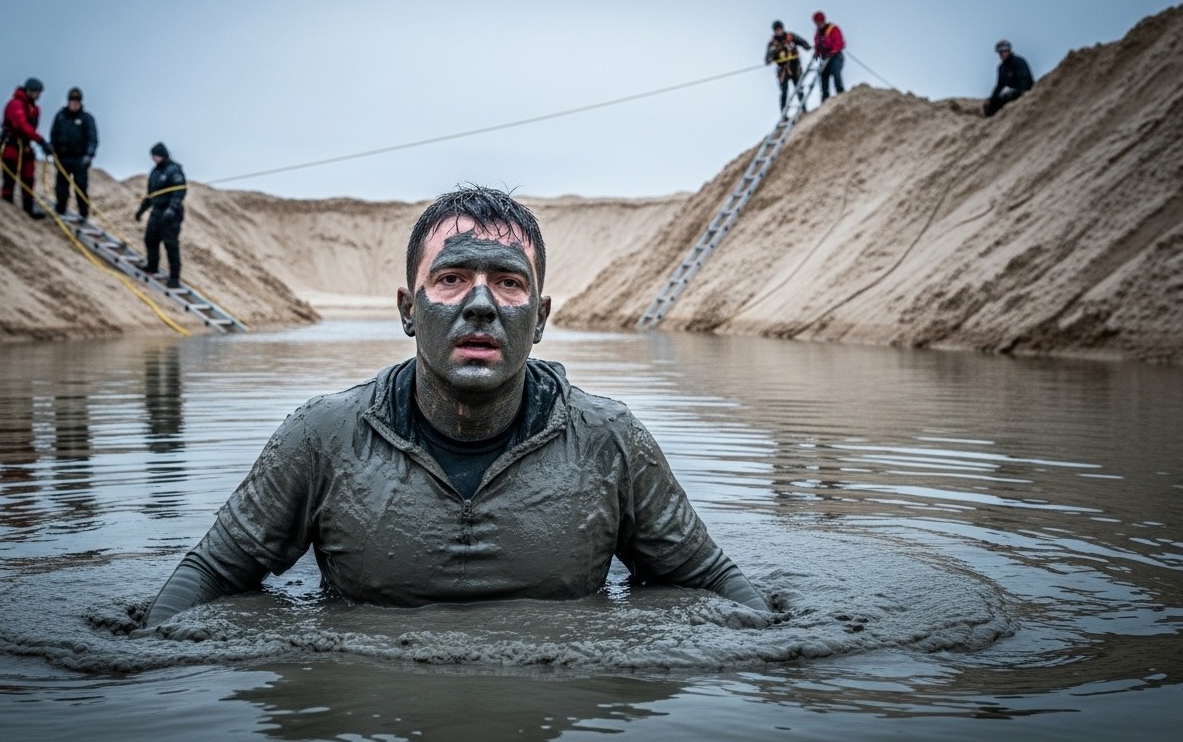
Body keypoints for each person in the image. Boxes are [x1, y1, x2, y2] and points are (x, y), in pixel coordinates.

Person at [141, 185, 769, 627]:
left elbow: (715, 585)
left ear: (541, 318)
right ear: (408, 311)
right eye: (450, 278)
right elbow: (207, 577)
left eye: (509, 282)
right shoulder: (322, 437)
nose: (480, 304)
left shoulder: (610, 441)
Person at [0, 77, 53, 219]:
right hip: (12, 144)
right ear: (29, 91)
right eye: (37, 92)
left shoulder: (34, 109)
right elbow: (21, 126)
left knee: (28, 177)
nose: (38, 96)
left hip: (26, 146)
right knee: (10, 174)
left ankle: (28, 209)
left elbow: (30, 128)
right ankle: (6, 206)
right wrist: (41, 141)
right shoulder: (15, 104)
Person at [134, 142, 187, 289]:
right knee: (150, 239)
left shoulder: (174, 170)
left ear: (162, 155)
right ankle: (152, 266)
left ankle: (174, 278)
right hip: (156, 212)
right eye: (153, 157)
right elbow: (151, 194)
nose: (154, 159)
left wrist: (172, 209)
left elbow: (180, 191)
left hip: (171, 215)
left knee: (171, 245)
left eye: (156, 156)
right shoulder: (155, 172)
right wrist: (141, 210)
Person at [50, 87, 99, 221]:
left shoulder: (87, 119)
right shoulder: (60, 117)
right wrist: (52, 150)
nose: (74, 104)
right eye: (72, 101)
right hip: (63, 158)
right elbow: (53, 135)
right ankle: (60, 209)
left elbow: (92, 139)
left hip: (80, 160)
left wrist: (89, 155)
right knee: (61, 187)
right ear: (68, 102)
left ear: (81, 103)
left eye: (77, 102)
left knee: (81, 188)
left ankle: (83, 214)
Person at [765, 20, 812, 115]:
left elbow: (802, 42)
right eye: (777, 30)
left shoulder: (790, 37)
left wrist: (807, 47)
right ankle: (784, 114)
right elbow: (767, 60)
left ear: (782, 28)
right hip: (782, 70)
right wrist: (773, 52)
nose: (779, 31)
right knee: (784, 92)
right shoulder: (772, 43)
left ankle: (804, 109)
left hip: (795, 67)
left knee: (799, 88)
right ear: (774, 31)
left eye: (780, 29)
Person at [984, 39, 1034, 117]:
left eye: (1004, 51)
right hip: (1008, 93)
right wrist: (991, 99)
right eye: (1000, 52)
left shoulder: (1019, 62)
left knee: (1007, 97)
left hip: (1022, 92)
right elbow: (999, 85)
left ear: (1009, 50)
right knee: (990, 104)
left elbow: (1025, 80)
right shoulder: (1001, 68)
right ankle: (992, 123)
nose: (1002, 54)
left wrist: (1020, 91)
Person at [812, 11, 846, 102]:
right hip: (825, 58)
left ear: (823, 20)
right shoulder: (818, 34)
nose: (818, 24)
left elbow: (840, 42)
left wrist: (834, 50)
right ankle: (825, 98)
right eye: (817, 22)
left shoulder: (833, 29)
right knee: (823, 76)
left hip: (835, 57)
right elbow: (817, 45)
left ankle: (841, 94)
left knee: (836, 74)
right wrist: (816, 53)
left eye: (820, 22)